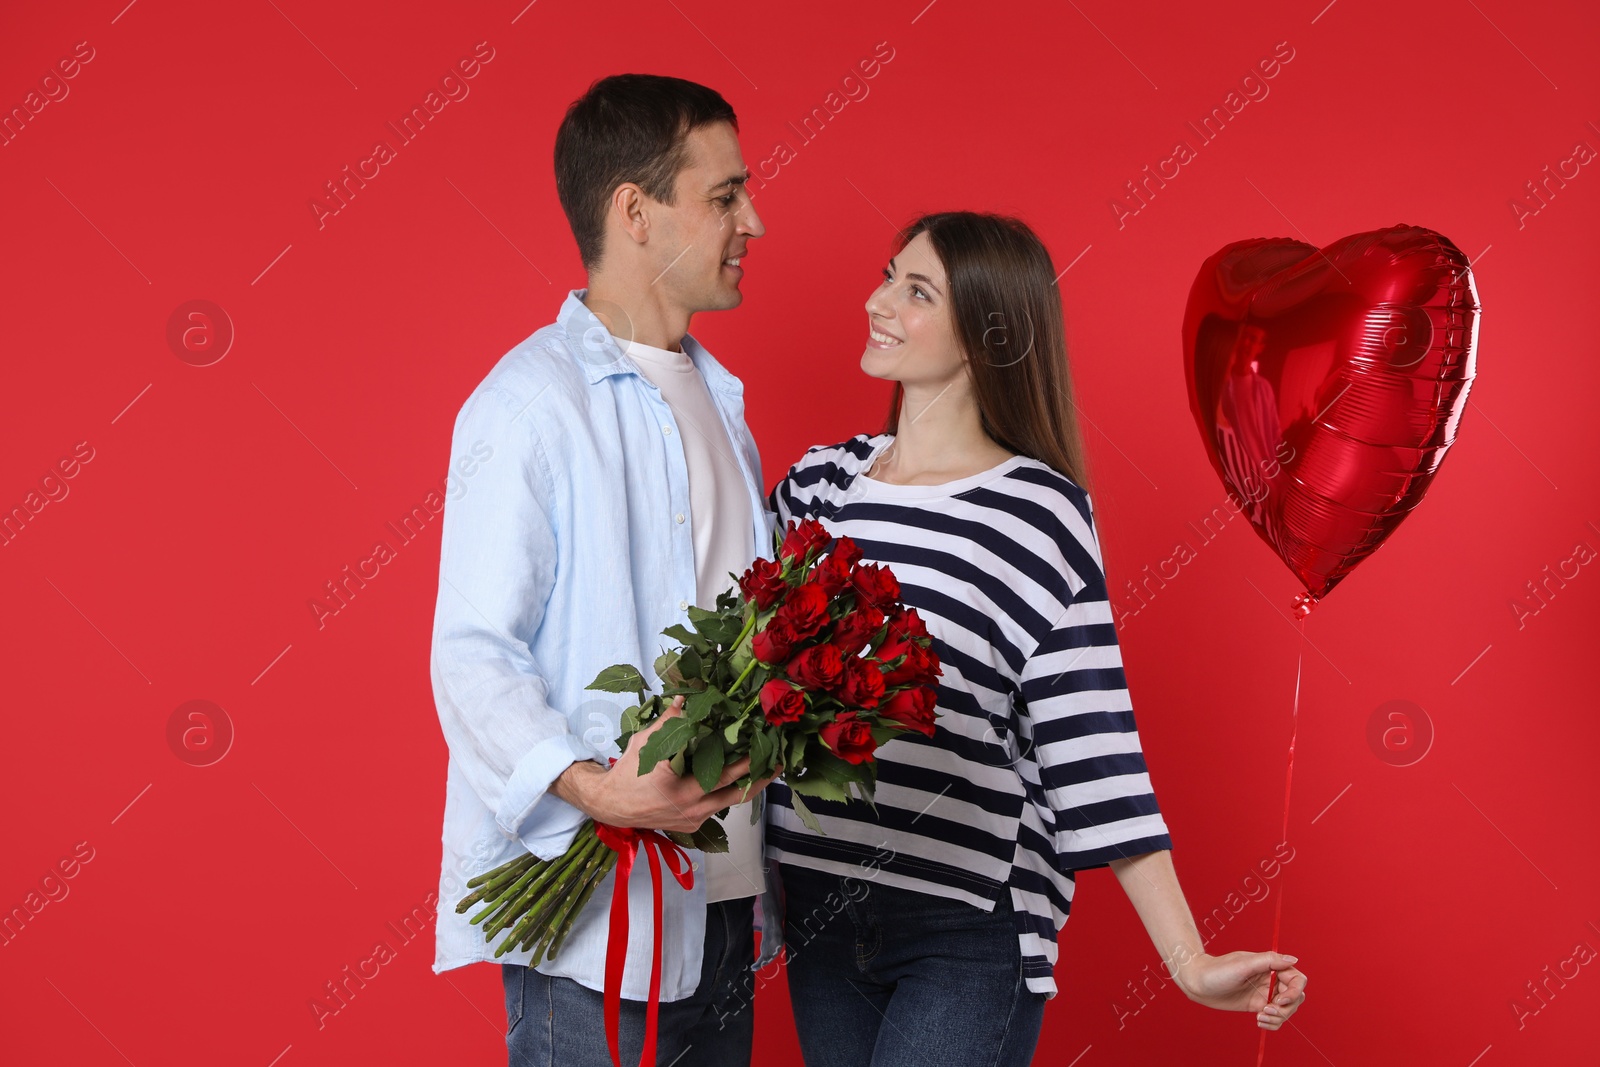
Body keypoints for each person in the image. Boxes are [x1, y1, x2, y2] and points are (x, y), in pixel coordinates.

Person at [764, 211, 1310, 1066]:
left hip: (965, 923)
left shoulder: (1036, 513)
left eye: (916, 292)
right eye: (887, 276)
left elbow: (1093, 748)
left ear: (987, 333)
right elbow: (743, 675)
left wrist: (1189, 961)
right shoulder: (817, 484)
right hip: (820, 905)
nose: (877, 303)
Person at [428, 73, 782, 1066]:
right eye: (724, 196)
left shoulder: (723, 405)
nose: (752, 220)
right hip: (594, 924)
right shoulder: (529, 405)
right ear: (635, 210)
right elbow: (472, 654)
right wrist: (599, 789)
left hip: (724, 907)